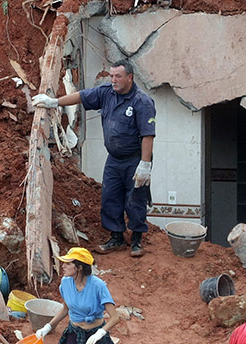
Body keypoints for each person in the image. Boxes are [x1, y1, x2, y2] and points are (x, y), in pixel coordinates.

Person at [32, 60, 156, 257]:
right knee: (110, 197)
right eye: (112, 76)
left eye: (118, 76)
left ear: (129, 78)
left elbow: (148, 134)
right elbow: (81, 96)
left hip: (135, 159)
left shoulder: (142, 102)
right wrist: (54, 102)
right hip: (114, 159)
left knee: (135, 198)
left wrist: (145, 164)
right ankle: (116, 237)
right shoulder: (107, 92)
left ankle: (137, 240)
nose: (113, 80)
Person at [35, 247, 119, 344]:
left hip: (94, 333)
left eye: (68, 264)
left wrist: (100, 332)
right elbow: (65, 309)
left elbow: (115, 317)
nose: (63, 266)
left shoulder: (98, 286)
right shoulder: (65, 283)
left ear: (79, 267)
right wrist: (48, 327)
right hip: (74, 331)